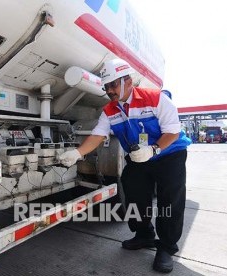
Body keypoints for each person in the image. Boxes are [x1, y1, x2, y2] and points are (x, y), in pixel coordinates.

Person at [59, 58, 191, 273]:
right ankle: (144, 234)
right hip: (139, 157)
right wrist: (78, 152)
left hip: (169, 154)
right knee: (133, 191)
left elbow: (173, 131)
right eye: (106, 86)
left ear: (127, 81)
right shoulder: (110, 110)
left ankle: (166, 247)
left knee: (170, 200)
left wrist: (154, 149)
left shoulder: (156, 98)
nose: (109, 90)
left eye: (113, 84)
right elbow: (98, 135)